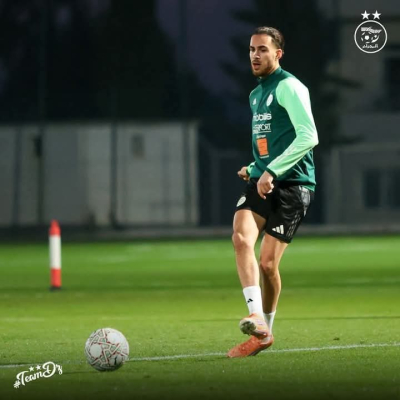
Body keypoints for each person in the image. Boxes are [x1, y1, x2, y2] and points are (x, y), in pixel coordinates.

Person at [227, 26, 319, 358]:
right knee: (241, 238)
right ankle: (255, 317)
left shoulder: (289, 86)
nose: (255, 55)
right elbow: (271, 143)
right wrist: (255, 168)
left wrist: (271, 171)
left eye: (262, 49)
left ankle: (265, 330)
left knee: (267, 264)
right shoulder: (256, 95)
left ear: (278, 54)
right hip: (263, 179)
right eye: (252, 49)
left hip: (294, 184)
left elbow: (308, 136)